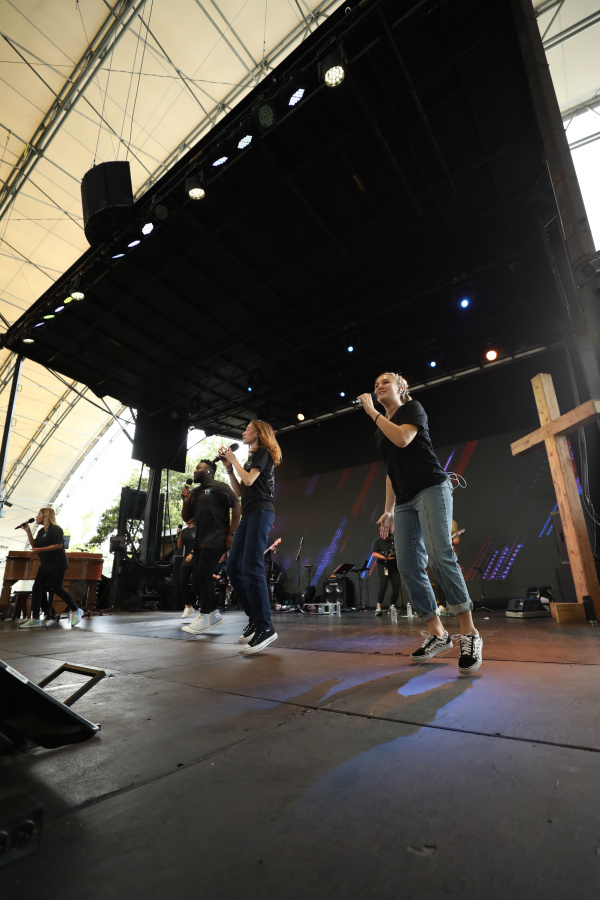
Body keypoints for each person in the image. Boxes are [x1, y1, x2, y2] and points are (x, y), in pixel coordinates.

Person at [358, 372, 483, 674]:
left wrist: (372, 412)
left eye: (384, 382)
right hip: (404, 501)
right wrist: (388, 510)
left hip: (431, 487)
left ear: (401, 387)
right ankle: (438, 634)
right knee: (409, 566)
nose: (378, 387)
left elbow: (403, 439)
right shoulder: (380, 430)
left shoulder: (412, 409)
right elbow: (391, 471)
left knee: (440, 556)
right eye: (375, 385)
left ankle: (470, 634)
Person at [219, 420, 282, 655]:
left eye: (248, 428)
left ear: (258, 433)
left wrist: (233, 460)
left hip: (261, 511)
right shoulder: (249, 459)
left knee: (252, 566)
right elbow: (239, 491)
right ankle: (255, 619)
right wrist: (229, 468)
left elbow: (249, 480)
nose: (244, 432)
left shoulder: (262, 453)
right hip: (248, 513)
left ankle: (266, 626)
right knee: (233, 566)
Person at [180, 460, 241, 635]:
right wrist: (186, 500)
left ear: (208, 472)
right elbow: (186, 518)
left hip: (216, 538)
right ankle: (213, 614)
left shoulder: (219, 487)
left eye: (198, 468)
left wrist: (231, 532)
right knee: (199, 579)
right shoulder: (195, 492)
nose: (195, 470)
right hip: (200, 541)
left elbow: (236, 505)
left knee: (204, 575)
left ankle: (205, 615)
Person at [19, 508, 83, 629]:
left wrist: (39, 550)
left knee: (57, 588)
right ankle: (36, 619)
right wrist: (28, 531)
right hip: (45, 563)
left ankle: (76, 610)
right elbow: (35, 545)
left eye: (39, 514)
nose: (36, 517)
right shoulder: (41, 531)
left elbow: (58, 545)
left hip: (57, 563)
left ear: (46, 516)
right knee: (36, 587)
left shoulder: (56, 529)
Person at [371, 533, 401, 616]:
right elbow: (374, 553)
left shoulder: (393, 542)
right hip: (383, 566)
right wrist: (385, 557)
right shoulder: (378, 542)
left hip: (393, 566)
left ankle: (392, 607)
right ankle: (378, 607)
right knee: (383, 585)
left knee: (397, 586)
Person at [178, 518, 197, 619]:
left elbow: (198, 543)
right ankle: (188, 606)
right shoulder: (184, 531)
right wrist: (179, 535)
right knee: (183, 582)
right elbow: (179, 546)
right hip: (186, 560)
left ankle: (205, 608)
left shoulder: (198, 529)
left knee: (197, 584)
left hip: (196, 560)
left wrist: (192, 554)